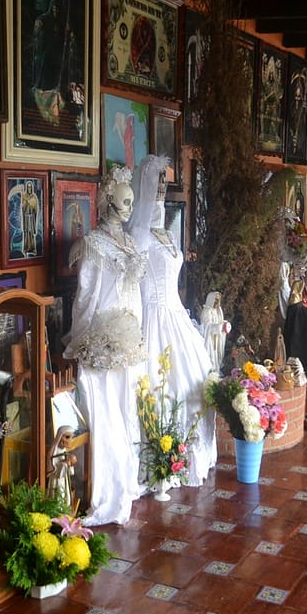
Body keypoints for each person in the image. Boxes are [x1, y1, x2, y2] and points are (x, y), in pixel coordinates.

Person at [63, 166, 147, 526]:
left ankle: (126, 481)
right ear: (109, 199)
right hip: (101, 342)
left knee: (126, 412)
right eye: (124, 201)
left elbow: (135, 294)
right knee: (104, 415)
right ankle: (104, 491)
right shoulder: (92, 244)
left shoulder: (130, 243)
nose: (129, 207)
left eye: (132, 201)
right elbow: (85, 297)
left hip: (128, 342)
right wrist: (84, 339)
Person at [128, 156, 216, 486]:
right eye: (157, 183)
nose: (162, 189)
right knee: (159, 386)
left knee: (193, 380)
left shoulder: (166, 234)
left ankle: (184, 455)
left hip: (177, 315)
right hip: (152, 318)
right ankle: (161, 458)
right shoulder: (138, 237)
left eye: (165, 182)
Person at [47, 425, 77, 509]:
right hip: (57, 479)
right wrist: (66, 463)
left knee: (65, 496)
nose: (70, 440)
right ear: (60, 438)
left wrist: (70, 464)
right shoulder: (54, 450)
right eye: (67, 437)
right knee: (58, 496)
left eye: (71, 437)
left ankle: (64, 510)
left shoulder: (63, 450)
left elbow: (70, 471)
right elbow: (54, 468)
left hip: (64, 479)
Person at [199, 292, 229, 374]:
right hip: (209, 338)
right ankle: (211, 372)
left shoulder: (218, 311)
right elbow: (207, 326)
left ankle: (216, 371)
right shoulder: (206, 312)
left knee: (216, 355)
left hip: (217, 337)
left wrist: (225, 324)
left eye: (219, 300)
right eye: (215, 299)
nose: (217, 302)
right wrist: (219, 327)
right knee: (211, 355)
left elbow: (220, 321)